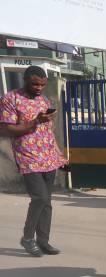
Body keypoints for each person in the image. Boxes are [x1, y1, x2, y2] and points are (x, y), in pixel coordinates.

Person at [0, 66, 68, 256]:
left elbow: (48, 131)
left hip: (48, 157)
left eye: (42, 85)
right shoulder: (10, 99)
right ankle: (28, 238)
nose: (39, 87)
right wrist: (35, 122)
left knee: (47, 202)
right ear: (25, 79)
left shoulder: (43, 100)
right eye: (35, 84)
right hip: (28, 157)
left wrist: (59, 156)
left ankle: (43, 241)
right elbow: (5, 129)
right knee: (39, 198)